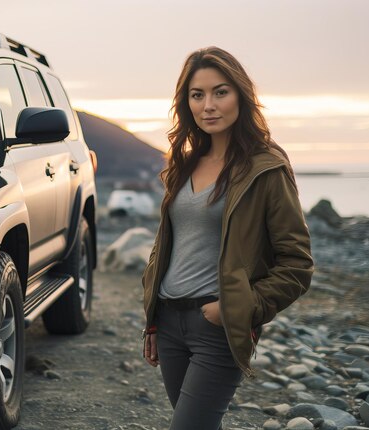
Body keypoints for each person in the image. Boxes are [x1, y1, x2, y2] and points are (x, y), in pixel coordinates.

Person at [141, 47, 314, 430]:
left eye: (220, 92)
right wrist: (153, 319)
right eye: (197, 94)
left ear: (240, 95)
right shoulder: (183, 163)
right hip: (169, 323)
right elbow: (166, 247)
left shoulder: (265, 167)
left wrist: (239, 308)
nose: (209, 105)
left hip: (216, 326)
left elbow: (297, 263)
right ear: (186, 103)